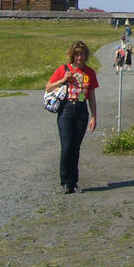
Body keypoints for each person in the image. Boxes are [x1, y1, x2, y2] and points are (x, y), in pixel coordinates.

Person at [45, 41, 98, 194]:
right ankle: (65, 181)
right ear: (72, 55)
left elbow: (92, 96)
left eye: (82, 54)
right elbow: (48, 87)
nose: (79, 57)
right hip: (66, 110)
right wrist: (62, 80)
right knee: (67, 147)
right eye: (76, 54)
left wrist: (94, 116)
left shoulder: (90, 73)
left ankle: (73, 182)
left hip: (81, 111)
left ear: (86, 55)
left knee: (76, 148)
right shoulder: (64, 69)